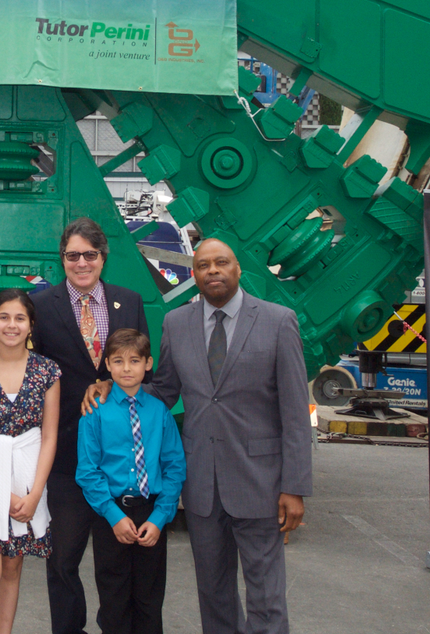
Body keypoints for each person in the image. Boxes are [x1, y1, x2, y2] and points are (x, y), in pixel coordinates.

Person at [86, 237, 313, 634]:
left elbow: (295, 412)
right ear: (194, 274)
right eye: (204, 265)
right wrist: (113, 387)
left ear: (238, 268)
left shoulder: (278, 321)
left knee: (266, 594)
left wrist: (294, 486)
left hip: (260, 482)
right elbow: (164, 390)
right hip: (201, 484)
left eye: (221, 263)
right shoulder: (177, 323)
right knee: (213, 590)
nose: (213, 271)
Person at [30, 217, 145, 634]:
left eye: (89, 255)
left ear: (103, 257)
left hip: (118, 458)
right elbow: (33, 375)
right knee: (62, 561)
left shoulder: (129, 302)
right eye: (73, 255)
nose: (81, 263)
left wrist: (111, 381)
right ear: (62, 258)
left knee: (115, 563)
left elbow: (144, 372)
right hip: (65, 456)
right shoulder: (41, 307)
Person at [0, 289, 60, 634]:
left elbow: (49, 437)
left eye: (20, 318)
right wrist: (2, 491)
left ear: (31, 325)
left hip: (27, 478)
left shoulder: (48, 372)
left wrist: (33, 496)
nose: (12, 325)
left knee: (13, 568)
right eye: (4, 317)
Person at [76, 327, 184, 634]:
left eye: (134, 361)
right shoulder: (95, 412)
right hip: (111, 514)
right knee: (114, 599)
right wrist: (113, 516)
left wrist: (160, 517)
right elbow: (87, 470)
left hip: (151, 513)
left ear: (148, 364)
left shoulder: (160, 412)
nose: (127, 368)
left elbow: (174, 466)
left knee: (149, 599)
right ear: (107, 366)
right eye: (118, 361)